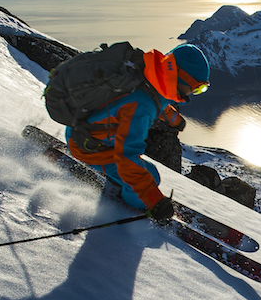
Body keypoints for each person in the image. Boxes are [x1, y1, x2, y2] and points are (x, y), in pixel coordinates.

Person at [64, 43, 211, 223]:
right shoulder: (141, 106)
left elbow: (156, 101)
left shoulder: (149, 75)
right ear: (181, 78)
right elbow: (126, 157)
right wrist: (153, 200)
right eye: (198, 88)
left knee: (144, 172)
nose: (196, 93)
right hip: (88, 146)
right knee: (151, 176)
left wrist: (174, 119)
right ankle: (133, 205)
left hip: (85, 130)